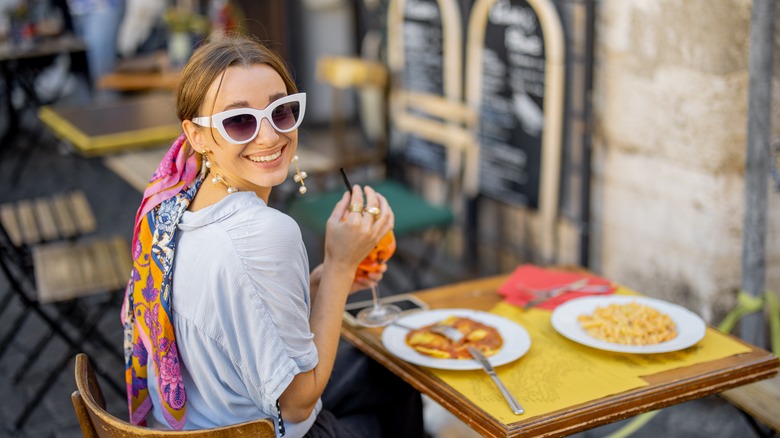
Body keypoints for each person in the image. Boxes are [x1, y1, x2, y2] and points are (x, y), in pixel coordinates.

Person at [121, 34, 425, 437]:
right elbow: (298, 403)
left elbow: (246, 316)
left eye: (280, 112)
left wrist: (323, 280)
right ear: (196, 135)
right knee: (398, 392)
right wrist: (339, 264)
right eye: (239, 121)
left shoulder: (174, 203)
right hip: (258, 428)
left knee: (388, 375)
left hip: (197, 419)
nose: (268, 137)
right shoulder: (264, 233)